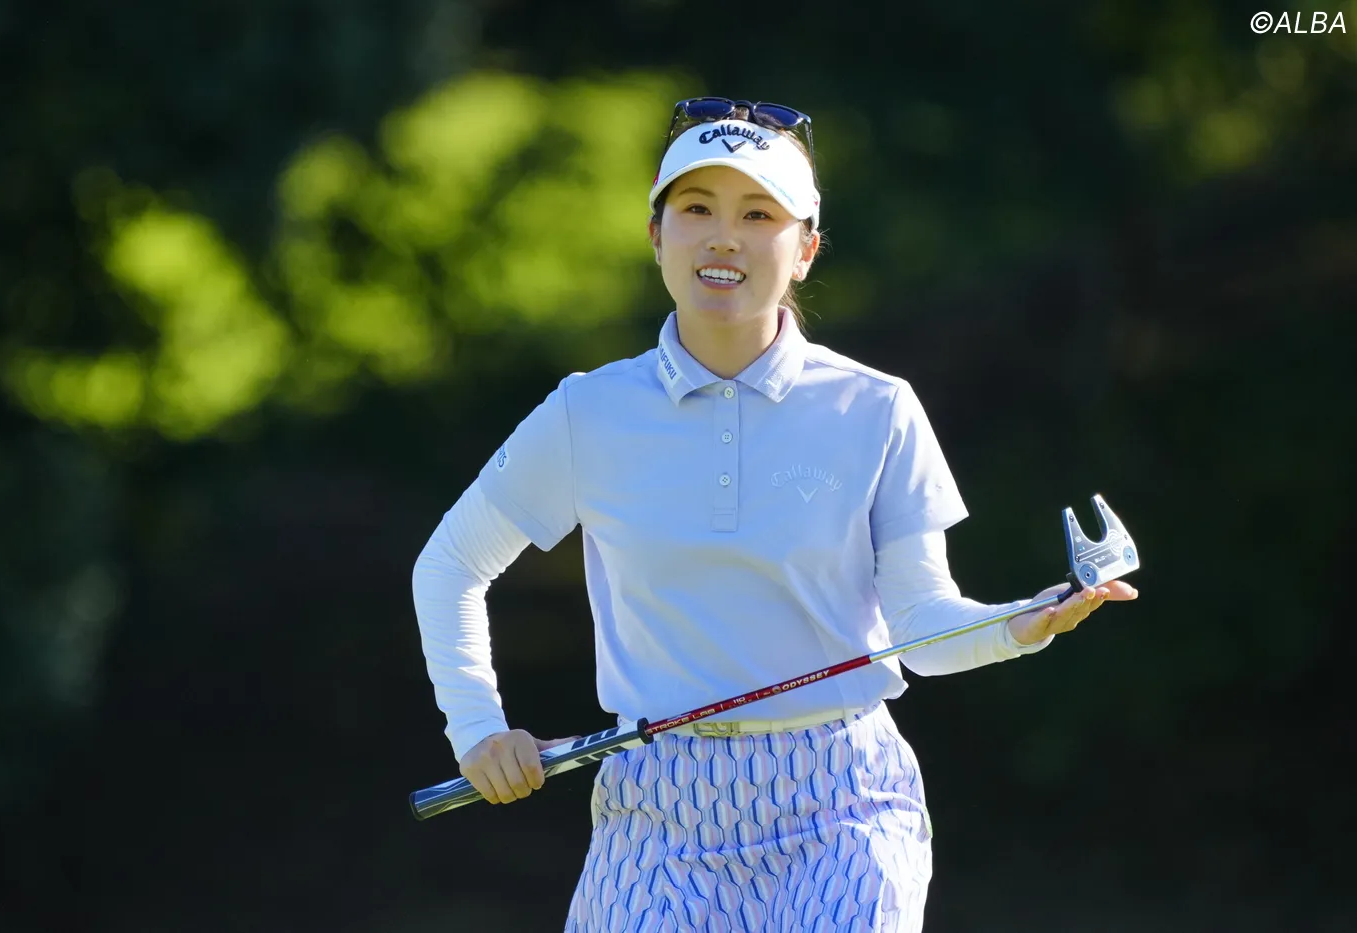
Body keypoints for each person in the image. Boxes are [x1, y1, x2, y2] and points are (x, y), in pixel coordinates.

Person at [412, 97, 1138, 932]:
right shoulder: (588, 412)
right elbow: (451, 564)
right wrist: (479, 729)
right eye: (697, 209)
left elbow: (920, 629)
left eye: (758, 215)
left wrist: (1022, 622)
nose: (723, 237)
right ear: (656, 235)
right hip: (657, 810)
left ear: (805, 250)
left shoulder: (876, 408)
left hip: (845, 803)